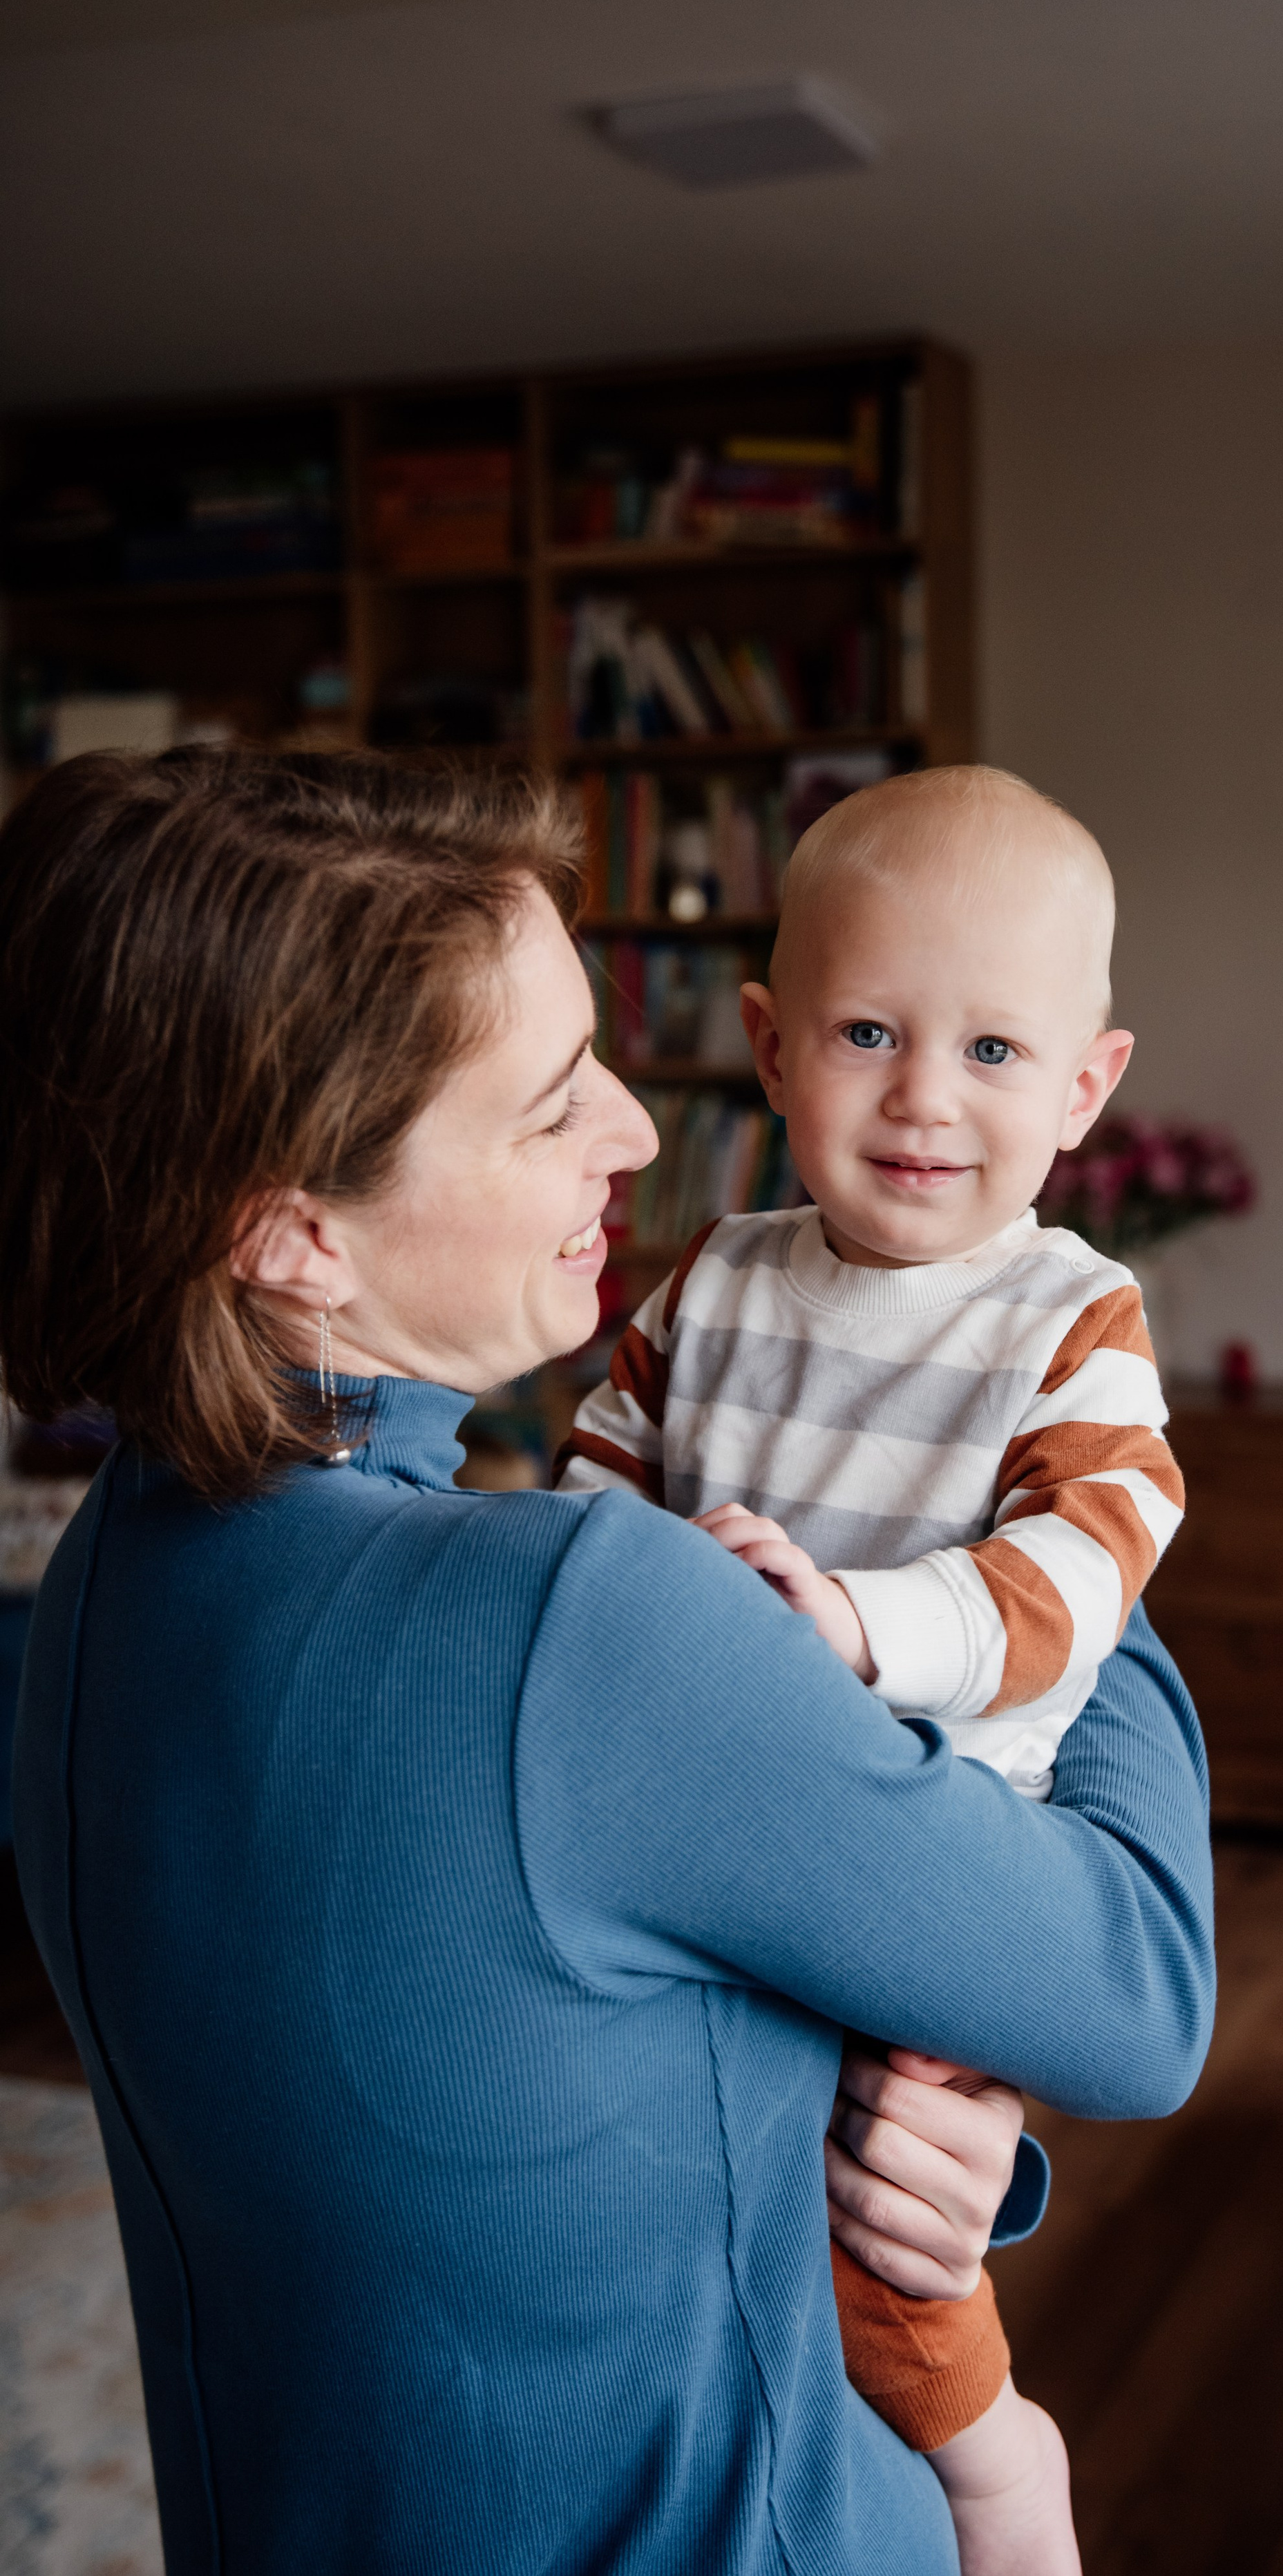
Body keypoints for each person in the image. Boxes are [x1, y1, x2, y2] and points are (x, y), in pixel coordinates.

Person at [0, 748, 1215, 2576]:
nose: (642, 1132)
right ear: (292, 1230)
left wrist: (908, 2140)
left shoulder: (95, 1594)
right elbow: (1138, 1991)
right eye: (553, 1096)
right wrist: (1061, 1518)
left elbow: (551, 2055)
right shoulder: (588, 1624)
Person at [560, 766, 1184, 2570]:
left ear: (1084, 1088)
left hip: (936, 1851)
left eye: (995, 1051)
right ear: (765, 1046)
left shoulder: (1069, 1319)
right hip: (700, 1826)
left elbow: (1083, 1571)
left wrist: (850, 1622)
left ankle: (995, 2459)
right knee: (679, 2180)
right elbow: (604, 1479)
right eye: (866, 1030)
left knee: (887, 2209)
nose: (923, 1093)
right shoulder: (712, 1287)